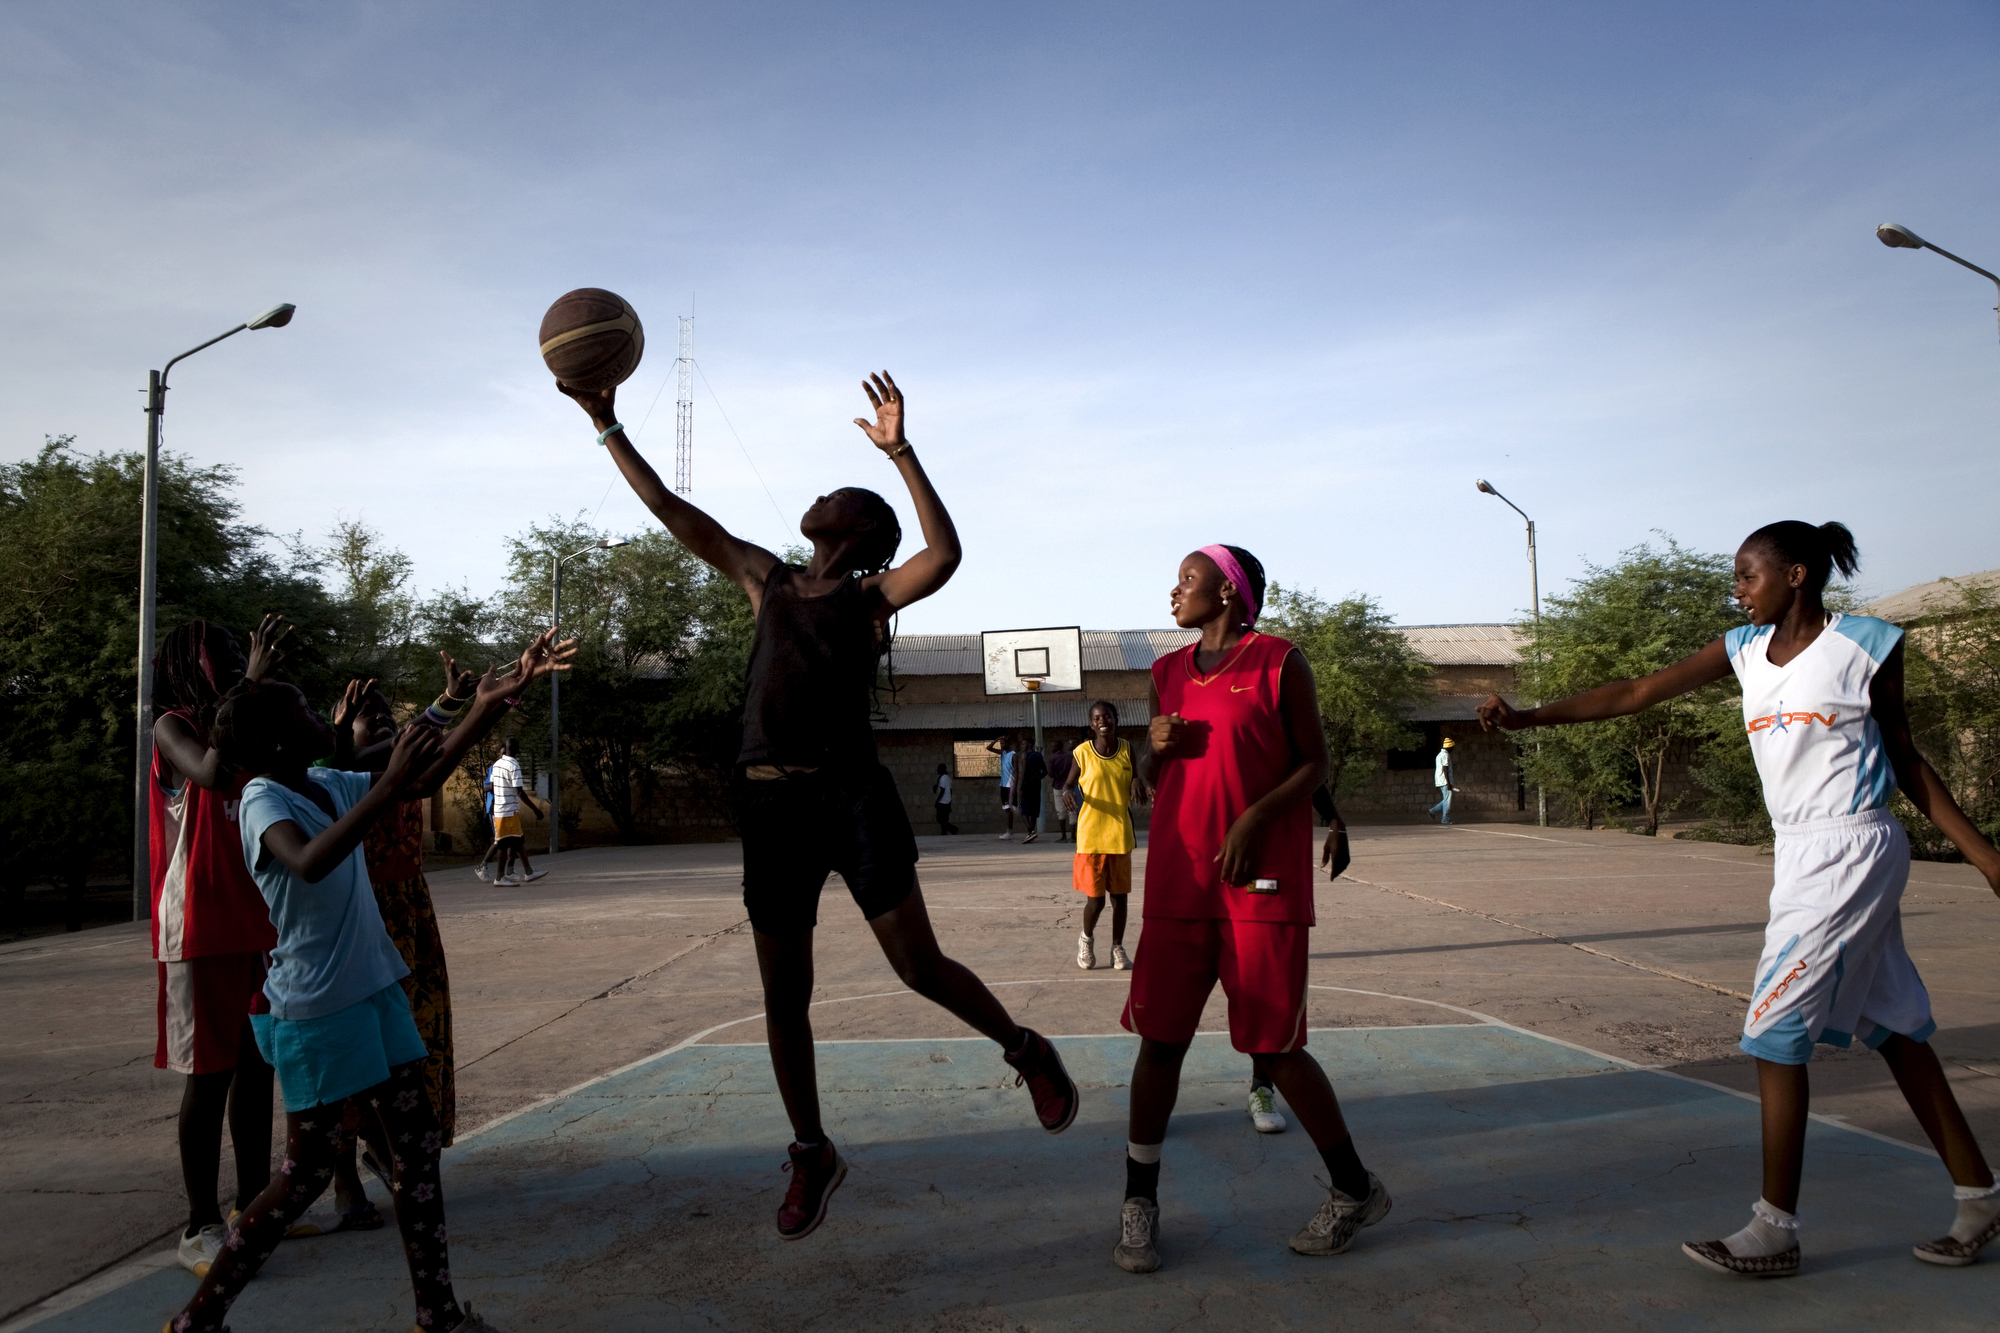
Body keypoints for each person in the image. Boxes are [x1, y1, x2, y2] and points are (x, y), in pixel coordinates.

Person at [566, 368, 1080, 1242]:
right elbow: (671, 511)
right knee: (783, 994)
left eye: (838, 490)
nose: (818, 490)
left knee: (916, 967)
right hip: (770, 808)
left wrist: (902, 452)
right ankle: (812, 1148)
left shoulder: (868, 598)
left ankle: (1024, 1046)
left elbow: (945, 555)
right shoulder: (763, 577)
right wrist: (609, 425)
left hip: (850, 796)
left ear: (861, 530)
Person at [1478, 520, 2000, 1277]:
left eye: (1748, 575)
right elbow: (1635, 692)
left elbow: (1908, 760)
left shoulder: (1866, 644)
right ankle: (1981, 1195)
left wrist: (1983, 854)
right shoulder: (1743, 649)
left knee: (1775, 1029)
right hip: (1798, 852)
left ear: (1795, 574)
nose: (1737, 587)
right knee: (1896, 1030)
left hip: (1852, 845)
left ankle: (1774, 1230)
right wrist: (1530, 716)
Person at [165, 628, 571, 1333]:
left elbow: (421, 776)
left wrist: (490, 703)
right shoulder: (264, 797)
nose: (312, 707)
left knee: (414, 1150)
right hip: (319, 1009)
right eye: (295, 703)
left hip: (373, 989)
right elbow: (312, 860)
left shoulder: (319, 781)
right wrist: (384, 784)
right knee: (303, 1178)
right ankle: (197, 1320)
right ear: (272, 738)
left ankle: (438, 1313)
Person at [1114, 545, 1388, 1274]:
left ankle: (1355, 1188)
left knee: (1274, 1048)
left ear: (1229, 593)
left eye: (1189, 579)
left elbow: (1314, 764)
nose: (1174, 589)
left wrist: (1256, 817)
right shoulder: (1166, 672)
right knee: (1159, 1043)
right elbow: (1152, 777)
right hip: (1179, 883)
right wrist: (1151, 750)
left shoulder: (1279, 662)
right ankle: (1139, 1203)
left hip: (1258, 882)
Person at [148, 615, 285, 1277]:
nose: (239, 661)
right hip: (197, 927)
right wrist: (249, 686)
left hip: (255, 924)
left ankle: (251, 1205)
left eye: (243, 653)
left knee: (259, 1069)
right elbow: (208, 771)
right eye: (227, 653)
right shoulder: (173, 727)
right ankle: (198, 1223)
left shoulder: (245, 727)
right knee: (210, 1076)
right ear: (194, 661)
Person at [1247, 785, 1349, 1136]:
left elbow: (1310, 761)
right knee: (1172, 1005)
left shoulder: (1281, 732)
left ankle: (1262, 1088)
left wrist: (1335, 820)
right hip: (1202, 852)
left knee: (1267, 998)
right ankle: (1155, 1112)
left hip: (1265, 866)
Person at [1067, 701, 1138, 971]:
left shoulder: (1127, 749)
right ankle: (1086, 939)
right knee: (1095, 901)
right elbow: (1068, 785)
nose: (1102, 721)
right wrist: (1065, 794)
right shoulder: (1082, 752)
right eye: (1097, 718)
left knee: (1119, 898)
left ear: (1115, 720)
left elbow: (1135, 777)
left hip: (1119, 834)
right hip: (1091, 836)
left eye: (1106, 716)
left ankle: (1117, 948)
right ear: (1091, 724)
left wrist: (1135, 782)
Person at [489, 738, 546, 886]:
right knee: (503, 843)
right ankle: (500, 877)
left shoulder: (497, 764)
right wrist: (535, 809)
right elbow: (519, 791)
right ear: (516, 750)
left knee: (518, 840)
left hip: (501, 809)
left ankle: (529, 872)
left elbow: (493, 787)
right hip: (508, 810)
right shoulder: (514, 765)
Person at [1045, 731, 1079, 842]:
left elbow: (1050, 774)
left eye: (1052, 747)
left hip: (1058, 786)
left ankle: (1063, 836)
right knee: (1072, 810)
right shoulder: (1070, 756)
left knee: (1061, 811)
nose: (1051, 748)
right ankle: (1073, 836)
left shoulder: (1052, 758)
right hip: (1070, 786)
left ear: (1056, 748)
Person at [988, 733, 1019, 840]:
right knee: (1006, 808)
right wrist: (997, 738)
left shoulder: (1013, 755)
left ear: (1008, 743)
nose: (1001, 745)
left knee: (1009, 808)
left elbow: (1016, 772)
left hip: (1010, 784)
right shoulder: (1003, 753)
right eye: (1000, 743)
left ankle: (1009, 831)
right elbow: (989, 748)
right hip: (1003, 784)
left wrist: (1015, 787)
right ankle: (1009, 831)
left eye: (1003, 743)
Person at [1018, 736, 1047, 844]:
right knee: (1034, 810)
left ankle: (1031, 831)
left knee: (1024, 810)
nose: (1022, 746)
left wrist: (1019, 787)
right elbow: (1045, 771)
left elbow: (1023, 773)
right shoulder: (1038, 755)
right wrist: (1037, 778)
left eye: (1024, 744)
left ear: (1029, 745)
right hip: (1036, 785)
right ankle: (1031, 833)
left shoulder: (1024, 755)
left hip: (1026, 785)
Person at [1428, 737, 1456, 824]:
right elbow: (1445, 768)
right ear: (1449, 747)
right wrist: (1448, 783)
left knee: (1446, 800)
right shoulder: (1445, 755)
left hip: (1440, 780)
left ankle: (1432, 811)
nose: (1453, 749)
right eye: (1452, 747)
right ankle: (1445, 819)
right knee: (1448, 800)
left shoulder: (1439, 755)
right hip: (1445, 781)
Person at [931, 762, 958, 835]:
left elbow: (942, 790)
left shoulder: (943, 778)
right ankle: (944, 833)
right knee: (944, 820)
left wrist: (937, 801)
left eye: (938, 769)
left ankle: (954, 829)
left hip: (943, 802)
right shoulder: (948, 778)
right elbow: (950, 790)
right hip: (947, 801)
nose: (937, 770)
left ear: (941, 769)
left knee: (940, 819)